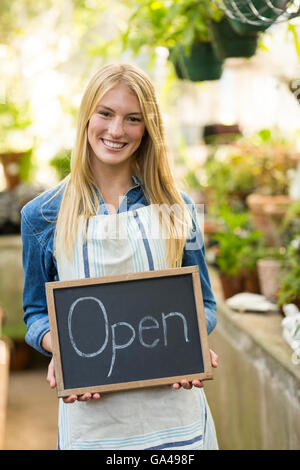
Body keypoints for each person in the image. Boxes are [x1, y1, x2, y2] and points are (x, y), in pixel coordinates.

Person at [21, 63, 219, 450]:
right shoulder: (42, 216)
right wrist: (59, 347)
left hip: (175, 415)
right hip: (93, 419)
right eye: (106, 114)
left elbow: (206, 304)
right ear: (86, 117)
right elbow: (34, 313)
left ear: (147, 129)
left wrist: (190, 339)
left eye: (133, 119)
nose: (116, 131)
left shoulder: (178, 210)